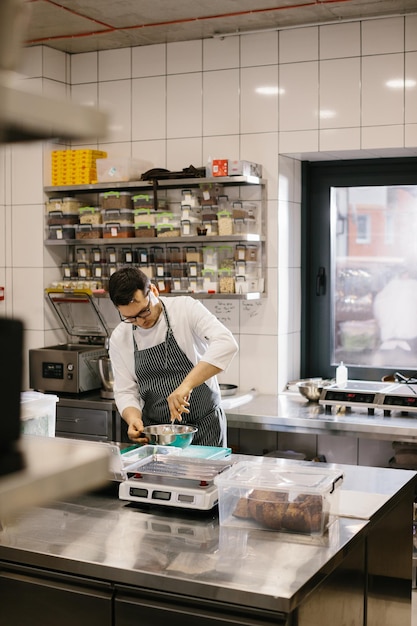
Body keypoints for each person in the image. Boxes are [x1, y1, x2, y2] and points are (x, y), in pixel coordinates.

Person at [108, 266, 239, 446]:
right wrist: (133, 419)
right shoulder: (119, 337)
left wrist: (186, 385)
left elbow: (226, 343)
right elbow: (125, 391)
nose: (140, 322)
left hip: (205, 427)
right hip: (159, 435)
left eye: (144, 311)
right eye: (130, 318)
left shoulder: (184, 308)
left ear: (154, 291)